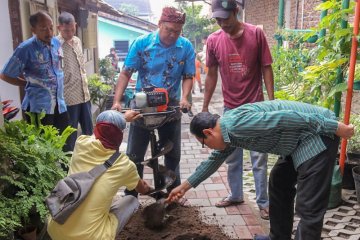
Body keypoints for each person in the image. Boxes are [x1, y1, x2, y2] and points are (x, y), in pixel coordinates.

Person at [167, 100, 355, 240]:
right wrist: (184, 187)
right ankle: (278, 237)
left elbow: (286, 118)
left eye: (204, 144)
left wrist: (335, 127)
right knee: (279, 182)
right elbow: (214, 160)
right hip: (294, 142)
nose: (207, 148)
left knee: (309, 207)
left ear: (208, 132)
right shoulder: (227, 133)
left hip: (315, 136)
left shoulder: (236, 126)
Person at [111, 7, 195, 198]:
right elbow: (126, 72)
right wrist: (117, 101)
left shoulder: (186, 46)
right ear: (159, 25)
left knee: (172, 154)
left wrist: (184, 98)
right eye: (169, 30)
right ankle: (131, 195)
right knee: (134, 154)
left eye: (177, 31)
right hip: (143, 106)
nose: (173, 35)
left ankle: (173, 193)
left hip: (170, 106)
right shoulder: (142, 43)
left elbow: (188, 76)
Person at [202, 0, 274, 219]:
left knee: (258, 157)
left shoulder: (256, 34)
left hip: (255, 107)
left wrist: (272, 102)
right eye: (217, 19)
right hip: (230, 108)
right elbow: (212, 74)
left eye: (225, 17)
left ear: (237, 11)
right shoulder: (214, 40)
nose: (221, 23)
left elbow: (266, 68)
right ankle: (235, 194)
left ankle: (263, 202)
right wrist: (204, 107)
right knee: (231, 155)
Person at [47, 110, 152, 240]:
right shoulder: (125, 164)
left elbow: (102, 131)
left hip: (56, 229)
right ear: (120, 135)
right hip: (91, 237)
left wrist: (121, 119)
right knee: (132, 201)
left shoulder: (81, 143)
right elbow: (141, 189)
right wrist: (148, 189)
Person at [0, 11, 69, 134]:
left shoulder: (56, 43)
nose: (49, 32)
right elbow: (5, 75)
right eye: (43, 29)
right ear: (33, 30)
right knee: (44, 149)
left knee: (65, 145)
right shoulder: (25, 48)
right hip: (38, 109)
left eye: (51, 27)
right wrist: (25, 83)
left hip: (60, 104)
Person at [57, 12, 93, 151]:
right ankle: (69, 166)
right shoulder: (55, 45)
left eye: (72, 29)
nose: (70, 33)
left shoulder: (77, 41)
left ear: (75, 26)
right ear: (59, 27)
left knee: (88, 133)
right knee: (69, 135)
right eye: (66, 30)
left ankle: (89, 159)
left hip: (84, 95)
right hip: (69, 98)